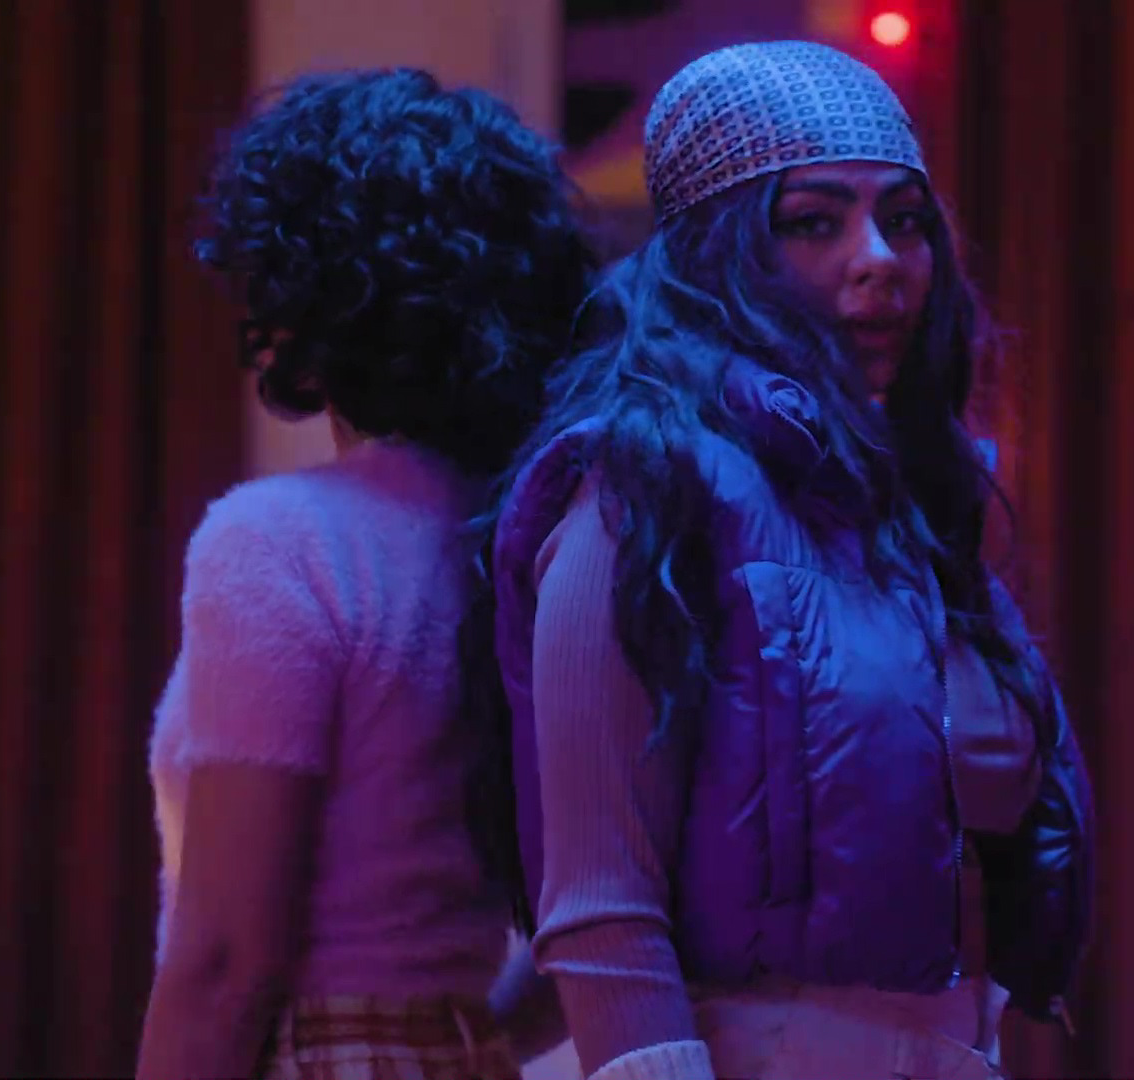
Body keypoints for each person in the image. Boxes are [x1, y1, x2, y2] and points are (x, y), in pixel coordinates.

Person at [467, 41, 1095, 1080]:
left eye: (905, 220)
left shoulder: (914, 516)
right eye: (813, 221)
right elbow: (602, 909)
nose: (880, 258)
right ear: (720, 255)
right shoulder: (642, 485)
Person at [136, 68, 593, 1080]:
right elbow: (594, 926)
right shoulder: (532, 546)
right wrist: (450, 1037)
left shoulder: (281, 542)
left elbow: (227, 963)